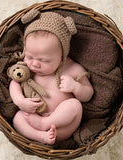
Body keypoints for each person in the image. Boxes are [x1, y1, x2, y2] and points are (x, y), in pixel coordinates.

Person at [9, 10, 94, 145]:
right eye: (30, 56)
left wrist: (76, 87)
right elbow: (14, 83)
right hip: (33, 118)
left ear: (62, 57)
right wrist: (20, 101)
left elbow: (88, 94)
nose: (35, 63)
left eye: (45, 60)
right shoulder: (27, 67)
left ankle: (45, 124)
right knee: (18, 118)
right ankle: (40, 136)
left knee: (75, 105)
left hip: (62, 125)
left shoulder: (73, 69)